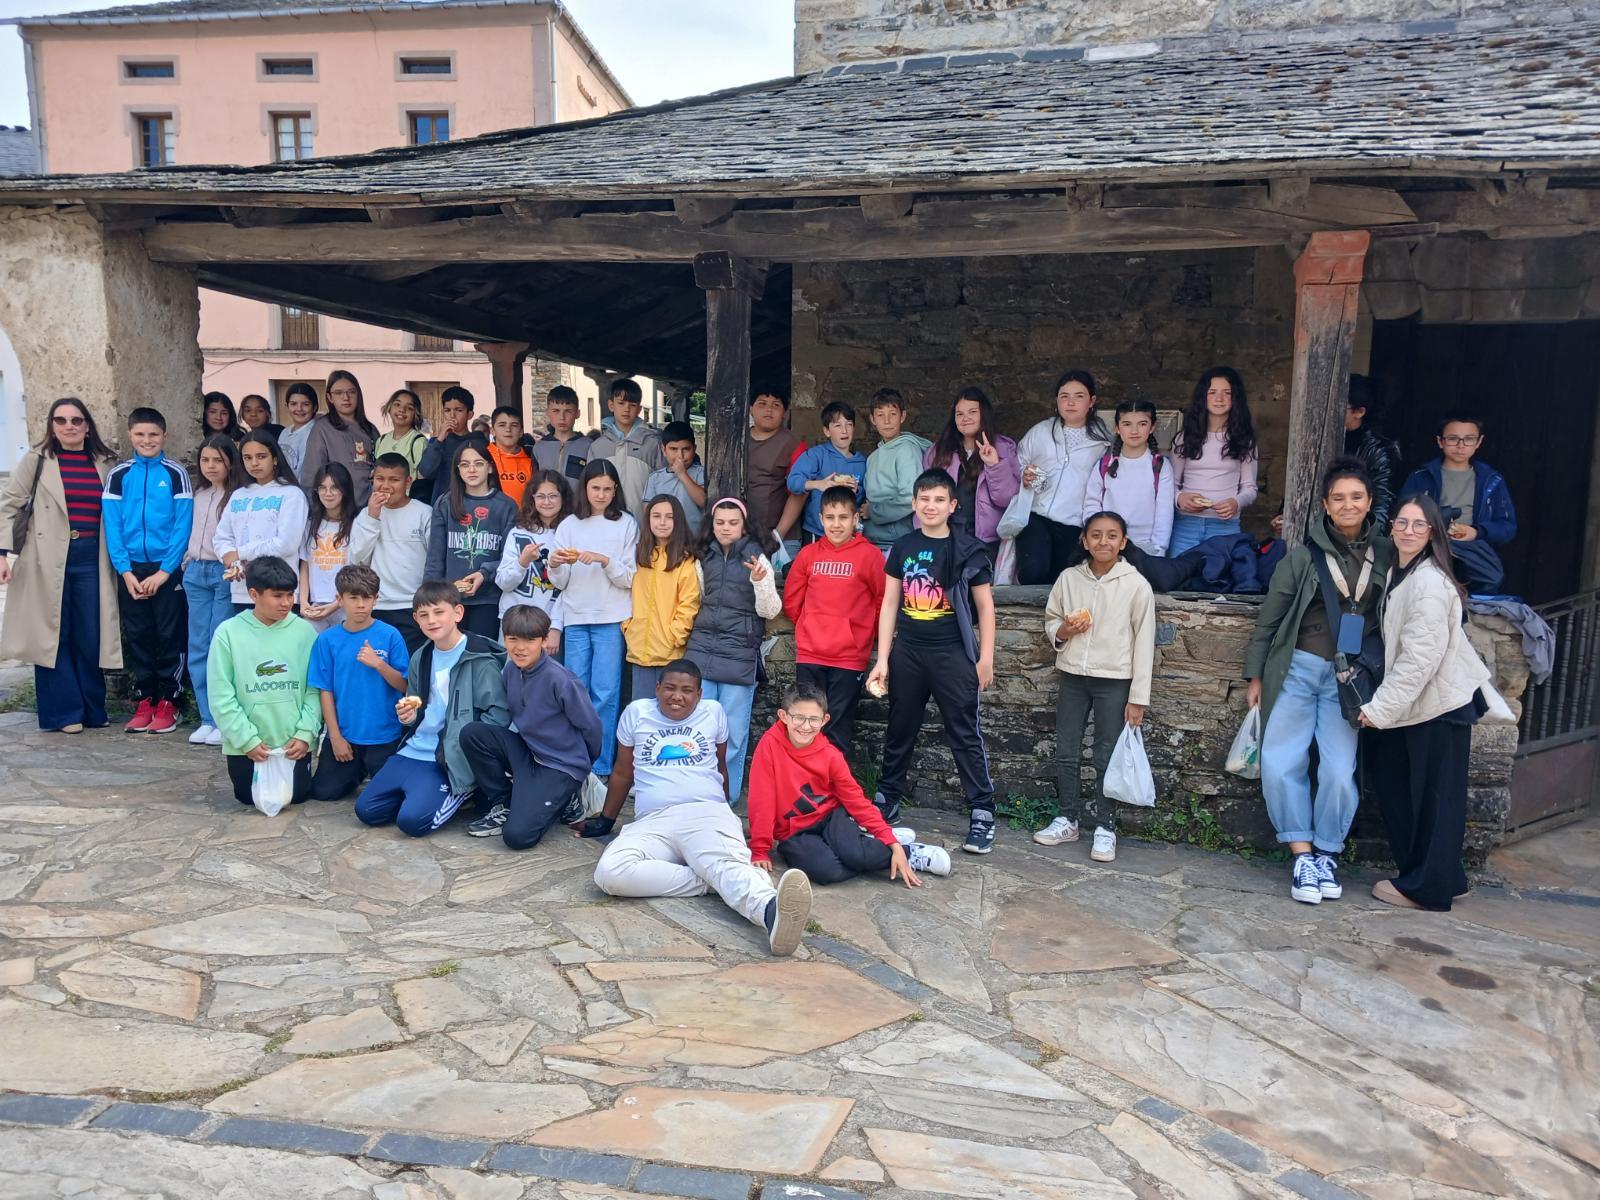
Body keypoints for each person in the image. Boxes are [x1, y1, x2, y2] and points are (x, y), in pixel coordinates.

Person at [580, 659, 814, 957]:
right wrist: (606, 819)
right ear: (657, 689)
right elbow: (623, 771)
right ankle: (715, 880)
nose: (677, 696)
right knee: (609, 873)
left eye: (687, 690)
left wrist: (725, 816)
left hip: (704, 811)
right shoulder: (637, 713)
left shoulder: (712, 712)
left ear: (699, 694)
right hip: (652, 821)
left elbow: (720, 767)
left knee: (725, 862)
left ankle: (770, 912)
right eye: (670, 688)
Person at [1244, 458, 1393, 905]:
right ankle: (1302, 855)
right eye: (1338, 498)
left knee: (1339, 771)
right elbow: (1269, 620)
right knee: (1279, 761)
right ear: (1326, 505)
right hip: (1298, 669)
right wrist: (1255, 674)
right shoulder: (1302, 558)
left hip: (1349, 679)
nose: (1348, 505)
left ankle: (1327, 852)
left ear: (1369, 502)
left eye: (1357, 497)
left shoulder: (1388, 554)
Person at [1358, 494, 1491, 911]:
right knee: (1412, 789)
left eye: (1419, 525)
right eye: (1402, 522)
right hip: (1425, 703)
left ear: (1433, 532)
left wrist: (1379, 709)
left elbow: (1419, 660)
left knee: (1431, 799)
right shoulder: (1403, 571)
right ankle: (1445, 878)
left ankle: (1427, 889)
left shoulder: (1429, 584)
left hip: (1439, 705)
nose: (1408, 531)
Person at [869, 469, 998, 853]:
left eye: (939, 499)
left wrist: (986, 658)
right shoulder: (903, 547)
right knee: (900, 726)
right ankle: (887, 799)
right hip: (908, 651)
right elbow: (890, 604)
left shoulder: (969, 549)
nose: (931, 506)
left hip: (952, 654)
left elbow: (985, 608)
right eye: (924, 499)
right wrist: (882, 659)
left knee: (964, 732)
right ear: (914, 503)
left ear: (952, 505)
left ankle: (982, 811)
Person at [1034, 512, 1156, 864]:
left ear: (1123, 543)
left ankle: (1105, 826)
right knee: (1067, 748)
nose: (1104, 541)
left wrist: (1138, 698)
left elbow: (1144, 642)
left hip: (1115, 680)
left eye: (1112, 535)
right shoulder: (1069, 579)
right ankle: (1067, 818)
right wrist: (1064, 631)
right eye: (1096, 535)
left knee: (1107, 754)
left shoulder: (1135, 585)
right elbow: (1052, 619)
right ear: (1084, 541)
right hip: (1073, 675)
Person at [747, 681, 949, 884]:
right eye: (799, 717)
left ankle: (906, 852)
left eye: (813, 719)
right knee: (827, 872)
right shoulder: (769, 746)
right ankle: (872, 846)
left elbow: (855, 800)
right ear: (783, 716)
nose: (806, 726)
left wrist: (892, 843)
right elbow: (762, 800)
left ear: (824, 720)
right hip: (793, 832)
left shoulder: (830, 755)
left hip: (830, 816)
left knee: (855, 855)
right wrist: (760, 849)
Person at [0, 397, 122, 733]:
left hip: (92, 556)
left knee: (90, 633)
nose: (69, 426)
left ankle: (92, 709)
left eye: (76, 420)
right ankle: (64, 713)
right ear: (52, 427)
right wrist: (1, 554)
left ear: (87, 426)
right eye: (61, 420)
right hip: (46, 556)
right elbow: (9, 504)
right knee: (53, 633)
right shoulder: (37, 460)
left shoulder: (106, 463)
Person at [355, 580, 508, 836]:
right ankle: (421, 792)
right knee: (367, 810)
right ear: (416, 619)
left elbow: (499, 714)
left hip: (450, 756)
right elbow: (415, 703)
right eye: (424, 615)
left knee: (412, 823)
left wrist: (468, 750)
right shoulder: (421, 656)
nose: (432, 620)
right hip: (415, 747)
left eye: (439, 612)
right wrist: (409, 716)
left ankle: (464, 789)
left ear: (458, 613)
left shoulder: (479, 658)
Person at [462, 605, 601, 846]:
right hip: (530, 753)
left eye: (530, 640)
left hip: (561, 765)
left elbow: (592, 727)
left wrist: (580, 766)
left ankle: (569, 796)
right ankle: (504, 802)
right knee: (473, 733)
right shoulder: (510, 670)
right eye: (513, 639)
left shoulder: (561, 679)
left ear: (544, 640)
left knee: (518, 837)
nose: (520, 647)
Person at [103, 407, 194, 735]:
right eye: (140, 434)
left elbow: (183, 525)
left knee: (170, 634)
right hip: (131, 570)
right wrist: (125, 572)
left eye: (153, 434)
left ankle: (170, 701)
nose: (147, 440)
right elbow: (112, 527)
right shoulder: (118, 475)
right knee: (139, 635)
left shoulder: (175, 473)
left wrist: (165, 571)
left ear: (164, 436)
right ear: (130, 436)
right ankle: (145, 698)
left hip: (166, 569)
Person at [684, 497, 781, 800]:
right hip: (702, 651)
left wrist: (760, 582)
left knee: (733, 733)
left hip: (739, 653)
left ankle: (726, 797)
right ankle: (697, 794)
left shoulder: (757, 558)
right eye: (720, 523)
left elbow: (770, 610)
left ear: (744, 526)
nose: (726, 528)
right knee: (698, 729)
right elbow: (696, 600)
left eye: (733, 523)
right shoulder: (702, 557)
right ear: (711, 525)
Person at [207, 555, 320, 806]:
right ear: (253, 594)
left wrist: (305, 733)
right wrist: (246, 740)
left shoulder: (305, 632)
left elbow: (315, 689)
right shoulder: (228, 633)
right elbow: (220, 694)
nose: (286, 603)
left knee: (297, 796)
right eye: (277, 596)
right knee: (248, 798)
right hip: (246, 746)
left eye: (290, 595)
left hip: (294, 744)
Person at [550, 459, 639, 778]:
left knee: (606, 693)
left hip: (612, 617)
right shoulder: (569, 524)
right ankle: (576, 759)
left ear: (616, 490)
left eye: (607, 489)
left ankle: (600, 764)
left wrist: (604, 560)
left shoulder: (626, 523)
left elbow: (629, 578)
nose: (601, 495)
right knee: (576, 692)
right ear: (584, 489)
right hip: (575, 615)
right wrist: (555, 564)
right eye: (595, 488)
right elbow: (559, 582)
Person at [782, 484, 886, 755]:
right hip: (810, 654)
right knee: (805, 725)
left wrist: (865, 634)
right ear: (820, 519)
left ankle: (832, 782)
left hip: (848, 658)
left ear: (855, 519)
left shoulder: (870, 556)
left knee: (838, 727)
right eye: (830, 517)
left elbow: (883, 600)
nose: (836, 524)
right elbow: (792, 599)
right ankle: (805, 780)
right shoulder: (808, 555)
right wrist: (809, 626)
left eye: (843, 517)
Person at [308, 564, 409, 801]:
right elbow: (325, 690)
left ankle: (370, 768)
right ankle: (357, 770)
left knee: (390, 798)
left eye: (367, 598)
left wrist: (379, 664)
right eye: (353, 598)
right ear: (339, 599)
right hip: (346, 736)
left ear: (376, 599)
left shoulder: (390, 635)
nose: (361, 605)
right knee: (324, 793)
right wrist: (335, 737)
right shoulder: (327, 640)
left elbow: (404, 686)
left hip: (385, 736)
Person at [1398, 412, 1516, 594]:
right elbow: (1400, 517)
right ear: (1440, 441)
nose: (1461, 445)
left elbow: (1507, 527)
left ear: (1479, 442)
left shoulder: (1492, 481)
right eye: (1453, 439)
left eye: (1469, 439)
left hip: (1472, 549)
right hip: (1428, 543)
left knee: (1491, 577)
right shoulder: (1421, 477)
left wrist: (1476, 531)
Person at [1016, 370, 1112, 584]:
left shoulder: (1103, 442)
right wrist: (1024, 473)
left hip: (1074, 522)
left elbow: (1107, 485)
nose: (1070, 402)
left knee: (1062, 580)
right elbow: (1018, 460)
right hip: (1037, 514)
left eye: (1079, 396)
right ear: (1056, 400)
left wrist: (1093, 523)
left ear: (1091, 401)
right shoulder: (1040, 431)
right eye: (1064, 396)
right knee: (1033, 571)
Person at [185, 434, 248, 746]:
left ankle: (223, 719)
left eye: (218, 460)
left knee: (218, 645)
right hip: (195, 572)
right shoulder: (198, 494)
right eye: (205, 460)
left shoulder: (238, 497)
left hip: (224, 573)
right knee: (197, 645)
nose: (210, 466)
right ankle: (206, 718)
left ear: (230, 463)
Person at [425, 440, 518, 639]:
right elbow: (435, 557)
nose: (472, 470)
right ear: (457, 470)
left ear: (490, 467)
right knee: (450, 653)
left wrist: (485, 573)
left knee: (481, 653)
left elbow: (510, 558)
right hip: (449, 599)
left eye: (478, 463)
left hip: (488, 598)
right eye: (465, 465)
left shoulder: (506, 506)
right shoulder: (445, 503)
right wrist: (430, 596)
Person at [922, 386, 1020, 559]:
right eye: (959, 414)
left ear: (984, 414)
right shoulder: (938, 451)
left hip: (986, 539)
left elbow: (1006, 499)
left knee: (977, 576)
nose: (965, 418)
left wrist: (994, 464)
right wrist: (924, 533)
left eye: (972, 412)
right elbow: (923, 495)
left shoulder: (1004, 448)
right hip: (944, 535)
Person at [350, 453, 433, 654]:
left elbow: (434, 560)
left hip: (414, 605)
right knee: (379, 664)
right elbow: (357, 559)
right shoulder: (365, 515)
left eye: (394, 480)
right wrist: (372, 517)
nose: (386, 486)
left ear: (408, 482)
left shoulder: (424, 513)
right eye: (380, 479)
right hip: (378, 605)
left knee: (409, 665)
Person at [1170, 366, 1258, 555]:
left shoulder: (1244, 440)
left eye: (1227, 393)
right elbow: (1170, 484)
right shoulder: (1184, 438)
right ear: (1203, 397)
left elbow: (1250, 488)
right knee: (1180, 572)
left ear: (1236, 398)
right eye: (1212, 392)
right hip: (1186, 525)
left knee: (1220, 573)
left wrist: (1236, 502)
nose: (1219, 398)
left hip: (1225, 526)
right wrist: (1179, 498)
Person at [215, 430, 307, 611]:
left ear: (275, 459)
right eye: (247, 458)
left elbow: (286, 544)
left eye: (261, 456)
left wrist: (240, 553)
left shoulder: (292, 494)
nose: (254, 463)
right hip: (243, 590)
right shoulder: (238, 495)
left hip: (279, 590)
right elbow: (221, 538)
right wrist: (234, 563)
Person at [625, 495, 702, 697]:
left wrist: (675, 636)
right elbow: (625, 592)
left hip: (670, 652)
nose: (662, 522)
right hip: (639, 648)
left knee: (670, 708)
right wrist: (628, 627)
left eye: (669, 517)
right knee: (641, 708)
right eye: (656, 516)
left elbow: (689, 603)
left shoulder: (685, 559)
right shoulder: (638, 555)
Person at [1083, 399, 1175, 557]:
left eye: (1142, 424)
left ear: (1152, 427)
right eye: (1126, 424)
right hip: (1109, 545)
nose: (1134, 431)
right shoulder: (1104, 464)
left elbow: (1164, 512)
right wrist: (1097, 537)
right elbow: (1092, 503)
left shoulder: (1160, 466)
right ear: (1117, 428)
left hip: (1146, 547)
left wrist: (1159, 549)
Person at [494, 469, 570, 643]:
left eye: (553, 496)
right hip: (514, 620)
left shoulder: (570, 533)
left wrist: (556, 625)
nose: (547, 502)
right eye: (540, 496)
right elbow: (503, 582)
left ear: (563, 497)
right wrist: (522, 562)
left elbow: (570, 587)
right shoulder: (518, 532)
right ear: (532, 499)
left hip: (550, 624)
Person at [862, 387, 931, 552]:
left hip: (895, 536)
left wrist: (873, 511)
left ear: (903, 416)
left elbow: (910, 497)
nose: (887, 421)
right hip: (875, 534)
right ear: (872, 419)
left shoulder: (907, 449)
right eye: (880, 415)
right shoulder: (873, 457)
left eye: (892, 414)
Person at [787, 401, 867, 542]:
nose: (844, 430)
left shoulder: (862, 462)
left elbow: (865, 497)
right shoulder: (817, 455)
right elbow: (793, 482)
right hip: (817, 532)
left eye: (848, 424)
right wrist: (818, 484)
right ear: (827, 431)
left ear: (854, 427)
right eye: (837, 425)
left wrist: (857, 491)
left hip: (847, 535)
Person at [300, 370, 379, 505]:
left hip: (369, 508)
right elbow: (311, 477)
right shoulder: (322, 428)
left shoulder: (370, 429)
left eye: (351, 392)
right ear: (330, 397)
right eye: (338, 393)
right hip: (336, 509)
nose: (346, 398)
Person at [591, 377, 664, 516]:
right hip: (605, 521)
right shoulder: (598, 446)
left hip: (644, 521)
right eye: (621, 403)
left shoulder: (652, 443)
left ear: (639, 409)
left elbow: (662, 485)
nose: (626, 409)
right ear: (611, 405)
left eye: (632, 404)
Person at [298, 463, 356, 633]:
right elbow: (305, 565)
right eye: (322, 488)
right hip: (316, 605)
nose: (328, 493)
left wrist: (337, 603)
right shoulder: (310, 524)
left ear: (345, 489)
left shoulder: (357, 523)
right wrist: (303, 602)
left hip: (347, 605)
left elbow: (360, 568)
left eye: (334, 487)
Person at [746, 387, 806, 549]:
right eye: (762, 404)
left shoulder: (794, 445)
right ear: (750, 409)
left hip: (782, 538)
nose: (769, 410)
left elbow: (800, 492)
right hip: (741, 534)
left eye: (776, 405)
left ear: (785, 412)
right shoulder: (737, 440)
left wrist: (778, 534)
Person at [1344, 376, 1402, 531]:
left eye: (1341, 405)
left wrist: (1368, 537)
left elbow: (1382, 500)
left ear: (1359, 412)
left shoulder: (1378, 450)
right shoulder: (1321, 438)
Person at [415, 385, 479, 505]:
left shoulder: (478, 442)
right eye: (447, 410)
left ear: (470, 414)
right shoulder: (436, 442)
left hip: (472, 505)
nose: (452, 415)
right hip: (442, 506)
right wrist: (440, 439)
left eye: (459, 410)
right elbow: (426, 471)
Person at [645, 421, 708, 537]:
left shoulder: (701, 473)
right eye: (673, 449)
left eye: (686, 449)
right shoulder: (655, 478)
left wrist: (682, 474)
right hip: (665, 540)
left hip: (695, 540)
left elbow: (704, 501)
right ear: (664, 450)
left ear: (694, 449)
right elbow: (648, 512)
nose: (680, 455)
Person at [531, 385, 591, 485]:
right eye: (556, 411)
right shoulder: (539, 448)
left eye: (568, 411)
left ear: (577, 413)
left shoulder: (588, 446)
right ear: (547, 412)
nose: (562, 417)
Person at [486, 405, 535, 506]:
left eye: (514, 425)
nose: (508, 429)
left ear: (521, 432)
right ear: (493, 431)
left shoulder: (531, 459)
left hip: (524, 515)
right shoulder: (483, 457)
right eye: (502, 425)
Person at [376, 389, 428, 480]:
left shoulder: (418, 441)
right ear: (389, 408)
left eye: (409, 408)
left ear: (415, 414)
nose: (402, 410)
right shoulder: (381, 440)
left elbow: (422, 477)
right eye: (397, 404)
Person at [278, 382, 319, 476]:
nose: (299, 409)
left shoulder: (316, 433)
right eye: (293, 404)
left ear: (315, 407)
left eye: (306, 404)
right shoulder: (284, 432)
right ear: (287, 406)